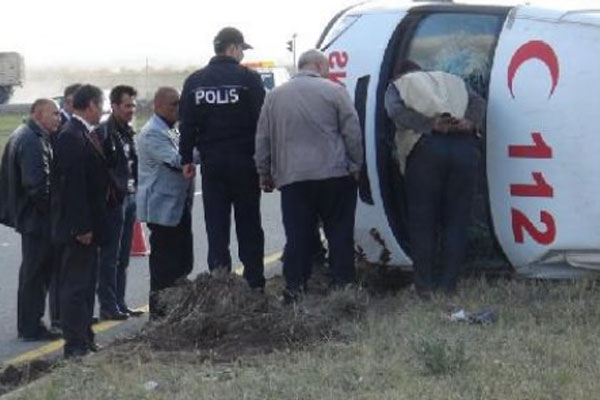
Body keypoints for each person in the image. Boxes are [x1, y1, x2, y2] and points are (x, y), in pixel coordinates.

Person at [255, 49, 363, 302]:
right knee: (339, 233)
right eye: (325, 67)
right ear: (317, 65)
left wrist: (264, 172)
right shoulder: (335, 92)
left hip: (293, 179)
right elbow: (352, 132)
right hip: (334, 175)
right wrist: (356, 165)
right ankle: (343, 288)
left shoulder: (274, 97)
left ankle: (295, 289)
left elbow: (263, 138)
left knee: (297, 236)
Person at [384, 61, 486, 298]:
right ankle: (449, 285)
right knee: (457, 220)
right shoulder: (454, 80)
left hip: (426, 151)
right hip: (464, 147)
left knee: (423, 221)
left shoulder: (398, 84)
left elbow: (395, 112)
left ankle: (424, 286)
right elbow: (479, 102)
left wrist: (431, 125)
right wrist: (469, 123)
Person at [179, 27, 266, 290]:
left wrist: (186, 160)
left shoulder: (195, 81)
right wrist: (265, 163)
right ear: (232, 48)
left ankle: (221, 284)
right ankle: (255, 284)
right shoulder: (248, 79)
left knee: (217, 227)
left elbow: (187, 125)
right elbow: (262, 123)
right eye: (241, 49)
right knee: (249, 225)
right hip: (245, 162)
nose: (242, 54)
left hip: (213, 165)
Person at [51, 84, 109, 358]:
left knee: (87, 284)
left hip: (91, 224)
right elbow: (73, 187)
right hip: (79, 228)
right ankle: (74, 345)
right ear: (91, 106)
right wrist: (82, 227)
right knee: (75, 286)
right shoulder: (71, 136)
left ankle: (86, 337)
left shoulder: (85, 133)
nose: (103, 110)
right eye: (102, 105)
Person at [0, 99, 62, 341]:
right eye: (54, 114)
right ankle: (30, 326)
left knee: (33, 273)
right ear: (38, 114)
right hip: (37, 220)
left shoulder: (25, 133)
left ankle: (29, 324)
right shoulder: (32, 140)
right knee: (36, 274)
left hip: (29, 216)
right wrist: (54, 213)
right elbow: (37, 186)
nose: (58, 118)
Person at [137, 87, 194, 319]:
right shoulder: (153, 132)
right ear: (158, 105)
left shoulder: (173, 129)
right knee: (164, 264)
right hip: (162, 209)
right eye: (174, 104)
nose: (178, 108)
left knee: (182, 260)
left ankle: (175, 308)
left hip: (177, 206)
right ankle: (160, 313)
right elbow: (177, 159)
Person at [95, 85, 142, 320]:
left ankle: (120, 302)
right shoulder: (104, 132)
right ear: (113, 106)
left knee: (123, 256)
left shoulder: (127, 131)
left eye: (133, 105)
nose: (131, 110)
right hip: (115, 201)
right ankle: (108, 305)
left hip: (131, 197)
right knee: (109, 257)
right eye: (127, 105)